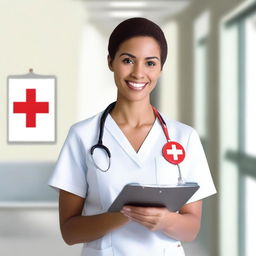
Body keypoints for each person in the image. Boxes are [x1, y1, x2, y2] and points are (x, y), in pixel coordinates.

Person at [48, 17, 216, 256]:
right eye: (128, 60)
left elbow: (191, 230)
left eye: (150, 63)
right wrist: (121, 216)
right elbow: (70, 232)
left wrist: (166, 221)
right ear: (111, 62)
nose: (138, 73)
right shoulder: (82, 136)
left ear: (160, 69)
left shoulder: (184, 137)